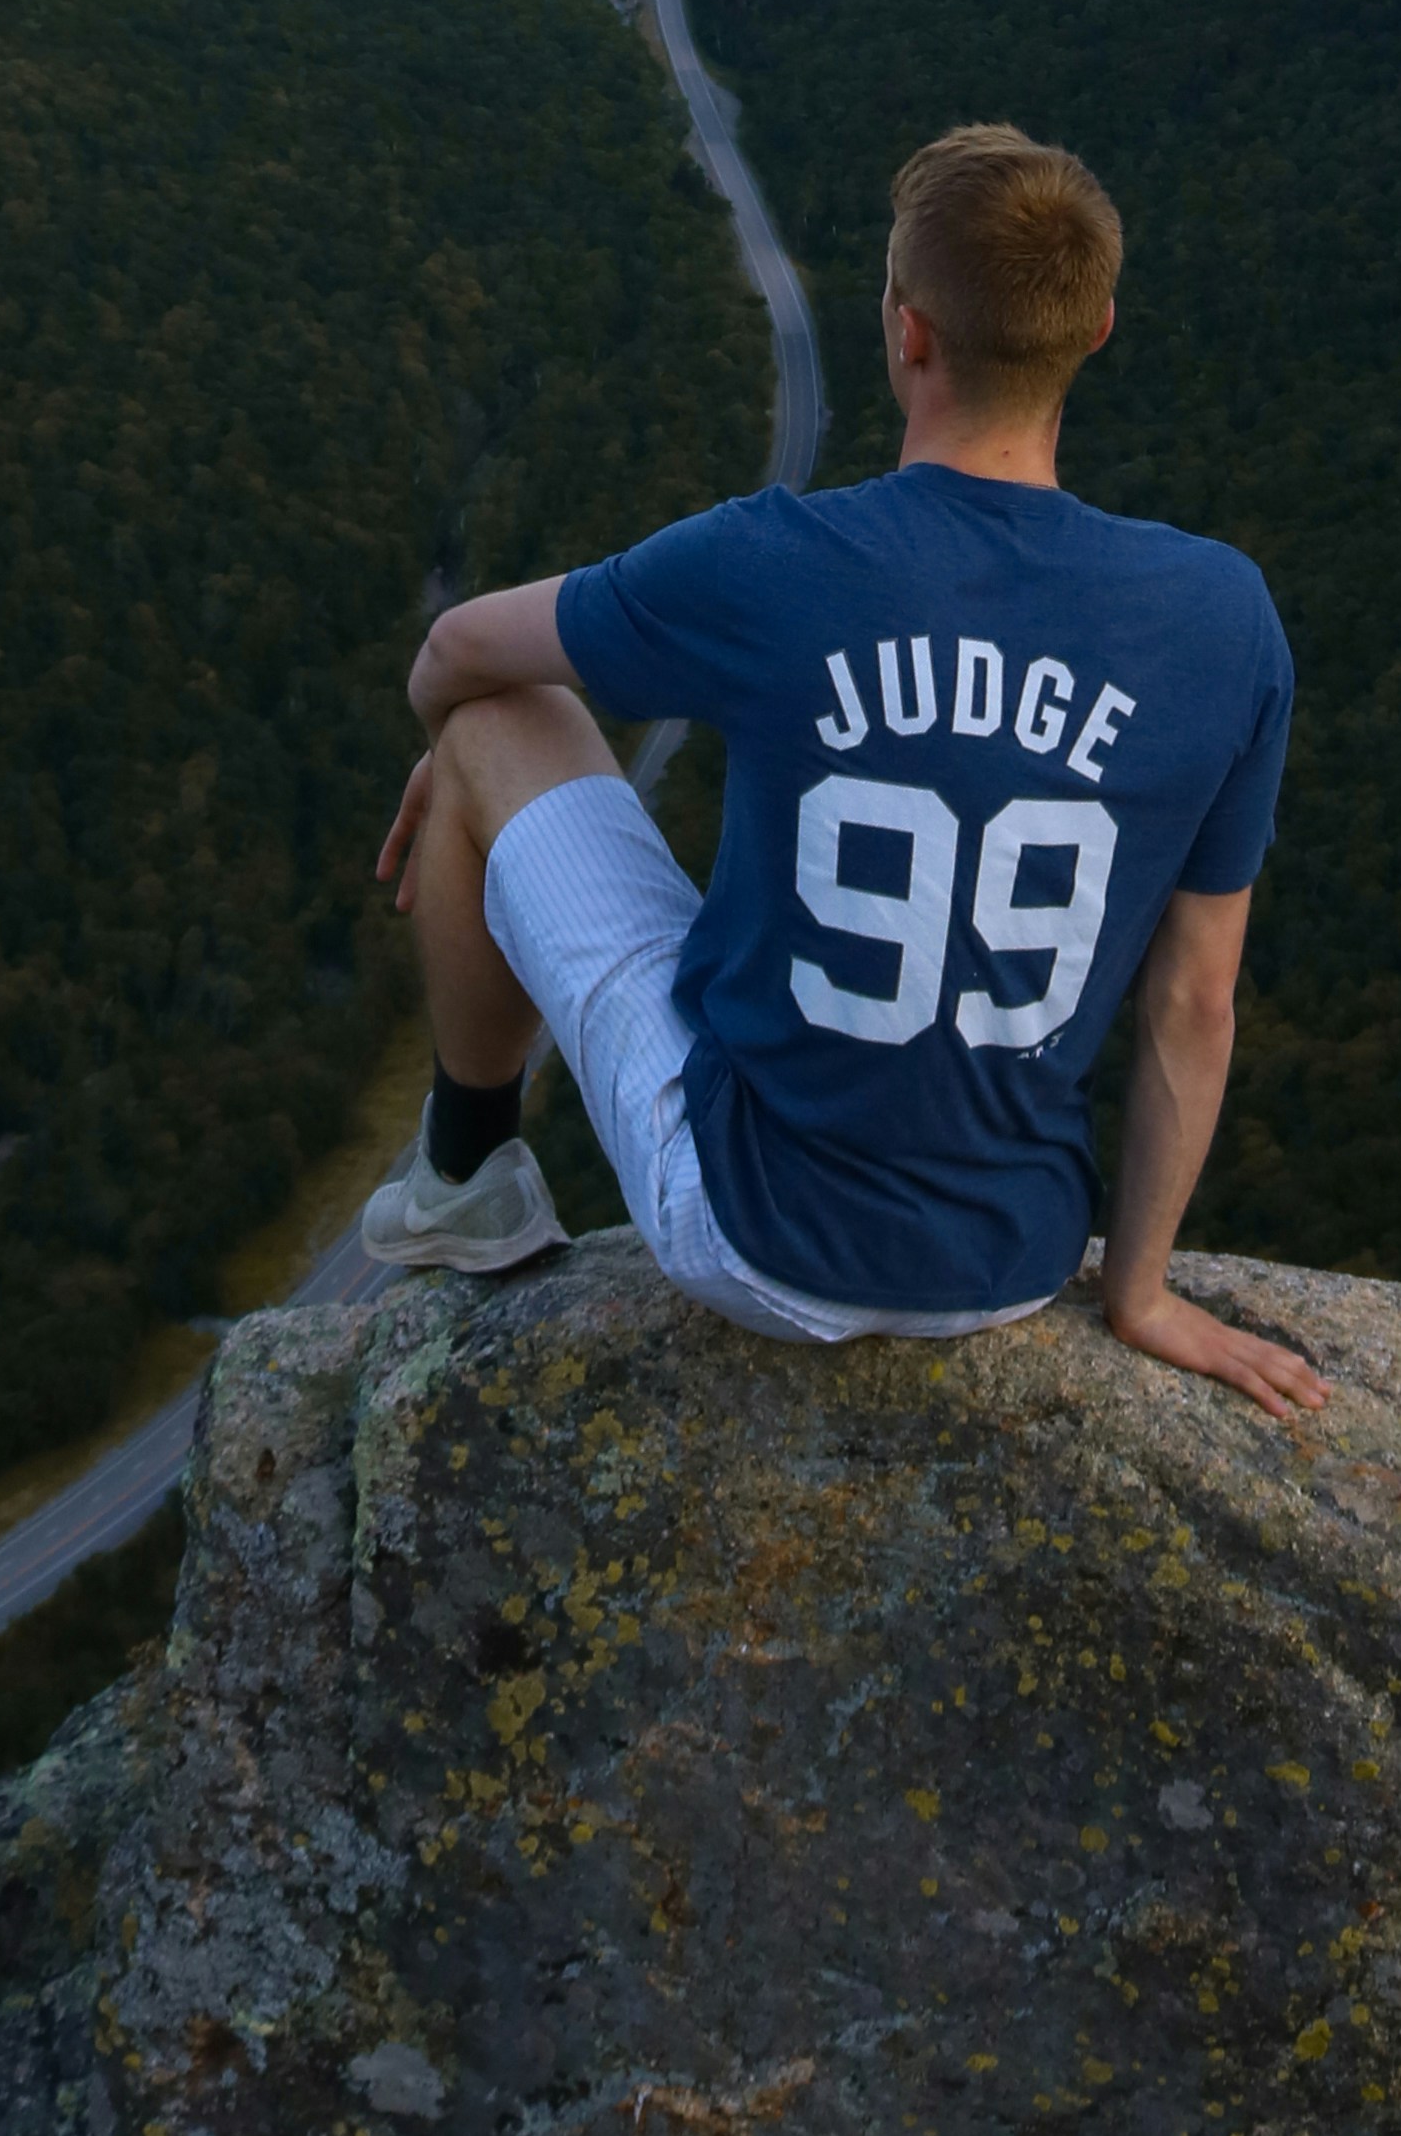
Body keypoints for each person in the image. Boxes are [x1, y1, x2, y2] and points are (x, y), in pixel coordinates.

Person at [362, 122, 1327, 1416]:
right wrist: (1136, 1291)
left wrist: (452, 751)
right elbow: (1194, 1004)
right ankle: (1125, 1279)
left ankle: (467, 1180)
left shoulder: (775, 561)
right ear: (1096, 331)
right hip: (1014, 1259)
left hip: (755, 1233)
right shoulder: (1224, 619)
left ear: (905, 329)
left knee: (497, 718)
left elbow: (456, 646)